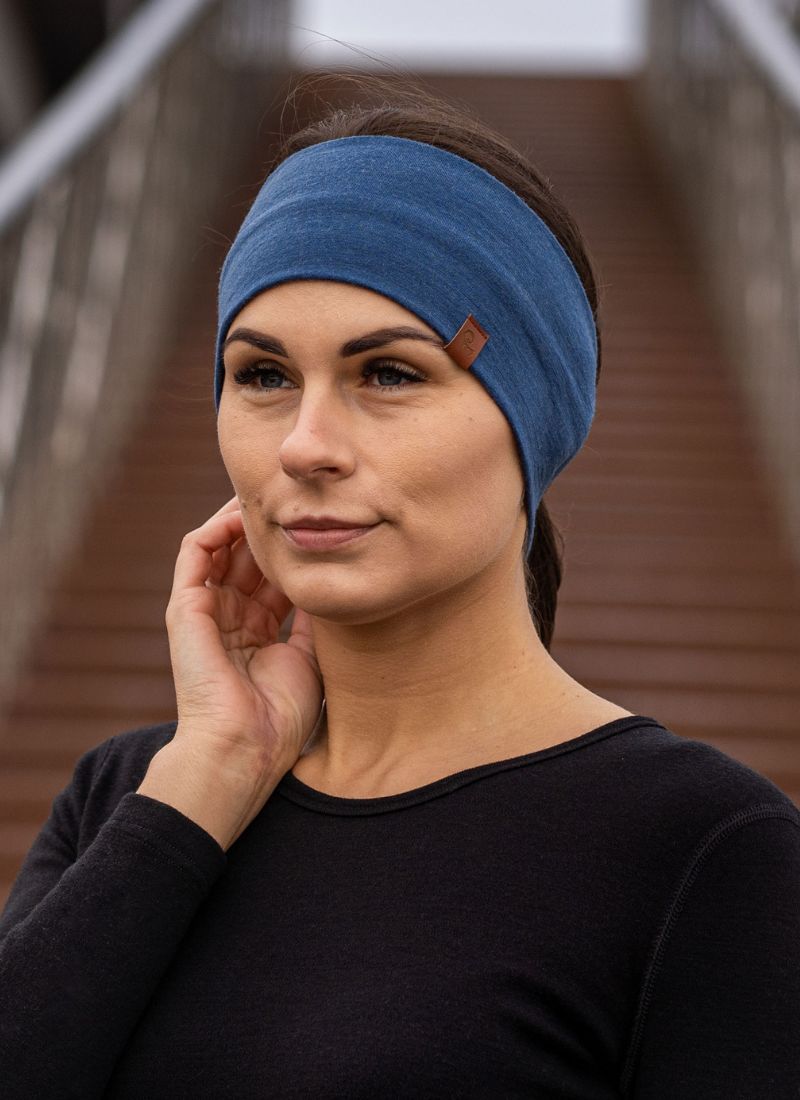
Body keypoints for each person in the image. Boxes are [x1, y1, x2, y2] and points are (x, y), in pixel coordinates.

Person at [1, 76, 799, 1099]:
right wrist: (211, 771)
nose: (304, 444)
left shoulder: (701, 851)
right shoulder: (131, 797)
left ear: (528, 415)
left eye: (388, 373)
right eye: (260, 374)